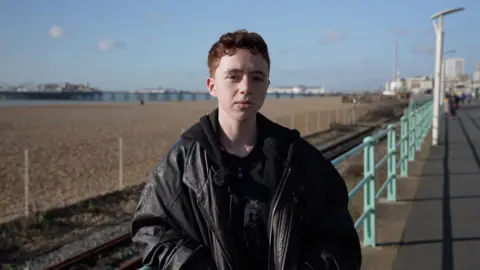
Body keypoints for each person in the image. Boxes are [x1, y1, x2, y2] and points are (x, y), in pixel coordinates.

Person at [131, 29, 362, 270]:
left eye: (257, 77)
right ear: (212, 85)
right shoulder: (183, 161)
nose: (246, 87)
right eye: (233, 76)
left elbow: (338, 240)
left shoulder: (297, 157)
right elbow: (150, 229)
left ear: (267, 85)